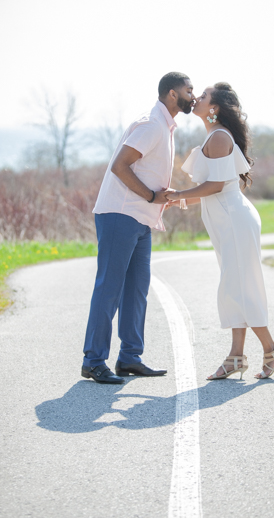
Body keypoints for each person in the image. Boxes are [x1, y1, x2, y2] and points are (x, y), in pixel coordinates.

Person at [166, 83, 274, 380]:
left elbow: (217, 186)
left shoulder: (219, 137)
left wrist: (176, 194)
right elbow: (208, 191)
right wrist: (177, 199)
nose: (196, 98)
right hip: (227, 221)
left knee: (239, 287)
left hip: (235, 221)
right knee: (235, 286)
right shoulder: (213, 134)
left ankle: (271, 350)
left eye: (203, 96)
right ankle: (236, 357)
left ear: (215, 108)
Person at [81, 72, 194, 384]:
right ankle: (93, 360)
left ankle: (130, 357)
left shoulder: (165, 126)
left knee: (136, 290)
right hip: (120, 213)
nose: (192, 95)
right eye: (188, 89)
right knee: (110, 288)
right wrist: (150, 195)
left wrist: (159, 199)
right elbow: (120, 166)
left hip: (141, 217)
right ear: (172, 94)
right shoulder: (150, 124)